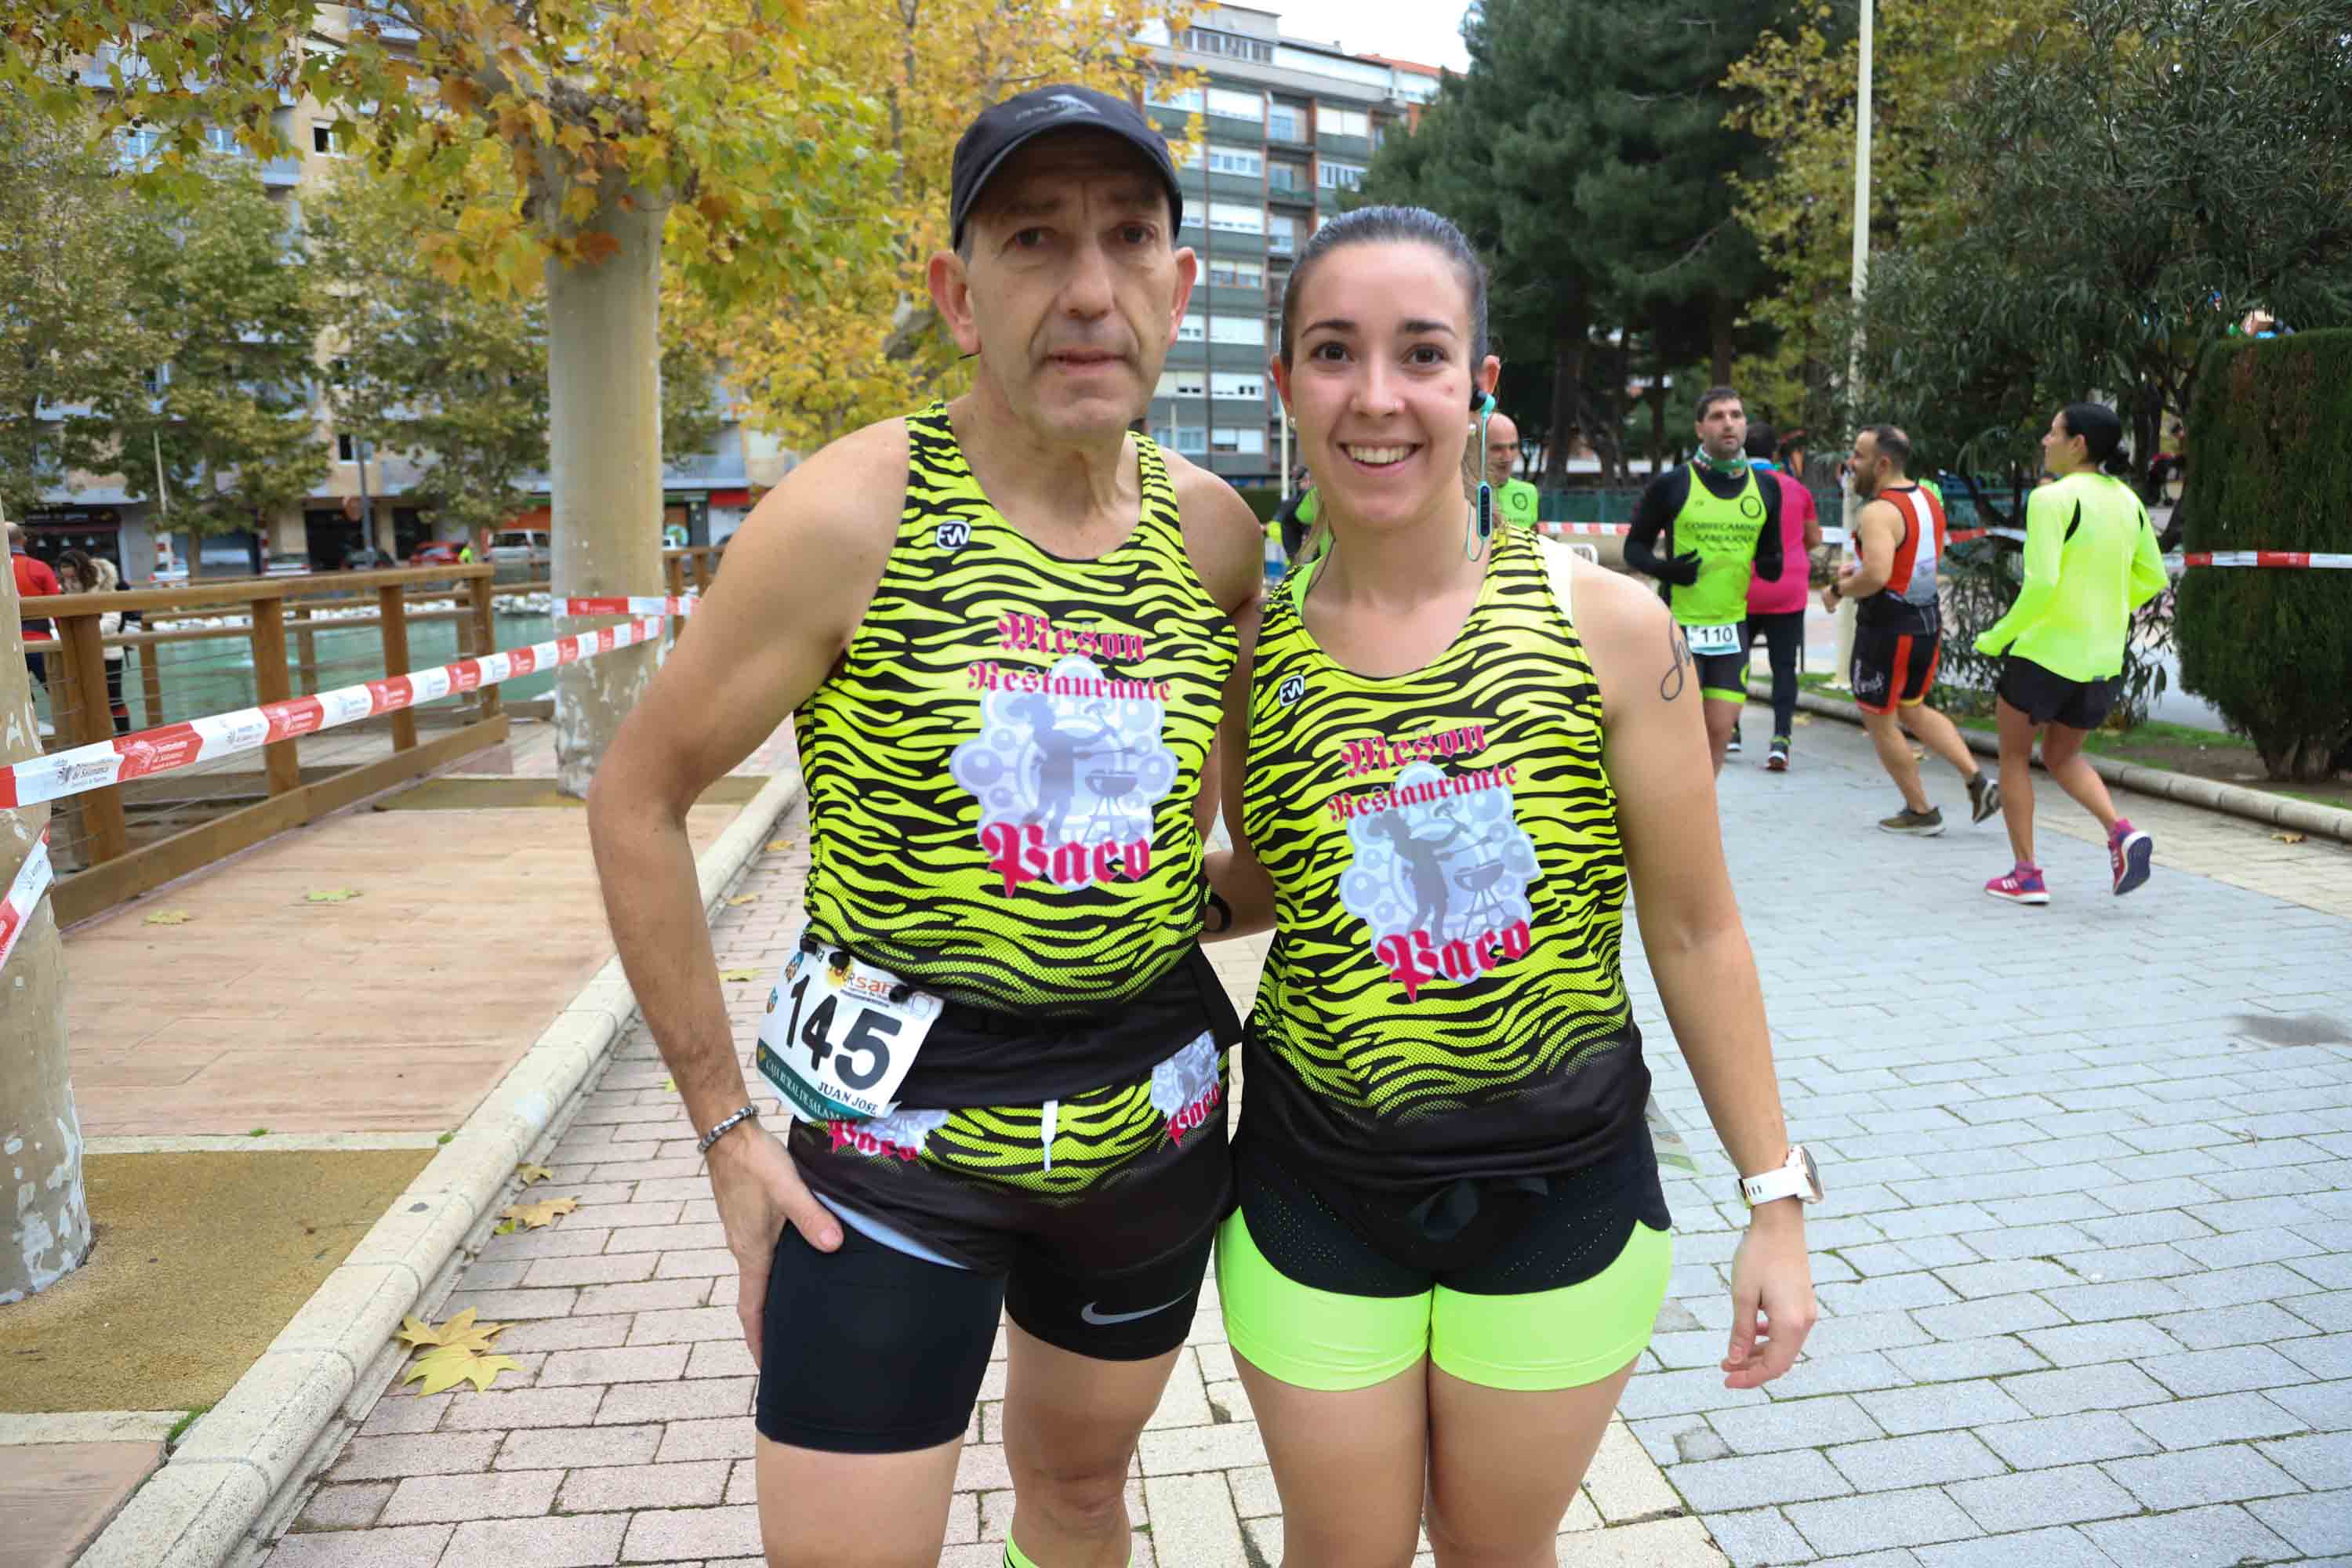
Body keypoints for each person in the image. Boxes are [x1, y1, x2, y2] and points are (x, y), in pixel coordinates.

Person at [586, 85, 1263, 1568]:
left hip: (1147, 1131)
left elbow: (1210, 859)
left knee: (1079, 1503)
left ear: (1178, 288)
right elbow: (637, 796)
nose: (1087, 291)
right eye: (1035, 242)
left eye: (1127, 240)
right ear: (960, 296)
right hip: (892, 1147)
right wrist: (723, 1130)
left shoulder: (1217, 535)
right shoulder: (850, 516)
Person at [1202, 205, 1818, 1568]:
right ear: (1288, 384)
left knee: (1497, 1552)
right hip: (1314, 1184)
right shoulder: (1253, 653)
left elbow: (1695, 928)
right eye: (1333, 352)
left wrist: (1774, 1200)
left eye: (1421, 353)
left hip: (1565, 1191)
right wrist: (1105, 906)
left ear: (1479, 383)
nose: (1377, 397)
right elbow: (1276, 881)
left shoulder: (1609, 625)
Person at [1976, 401, 2169, 902]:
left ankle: (2027, 875)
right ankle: (2121, 832)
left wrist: (1998, 635)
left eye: (2053, 433)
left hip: (2043, 654)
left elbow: (2041, 584)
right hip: (2102, 659)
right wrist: (2102, 608)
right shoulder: (2127, 500)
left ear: (2078, 443)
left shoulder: (2051, 499)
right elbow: (2153, 577)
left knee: (2013, 757)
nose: (2045, 441)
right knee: (2063, 756)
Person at [1824, 426, 1998, 834]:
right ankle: (1978, 782)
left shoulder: (1878, 512)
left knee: (1879, 720)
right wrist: (1861, 569)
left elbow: (1879, 576)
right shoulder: (1927, 498)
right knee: (1912, 709)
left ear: (1883, 463)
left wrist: (1838, 590)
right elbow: (1912, 556)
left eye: (1859, 455)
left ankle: (1921, 811)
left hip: (1888, 630)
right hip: (1925, 623)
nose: (1852, 463)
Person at [1624, 387, 1787, 771]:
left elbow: (1771, 554)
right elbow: (1634, 549)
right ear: (1700, 428)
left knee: (1719, 731)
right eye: (1717, 416)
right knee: (1678, 734)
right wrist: (1668, 570)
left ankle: (1702, 805)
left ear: (1745, 425)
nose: (1728, 423)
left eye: (1736, 415)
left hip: (1732, 628)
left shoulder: (1766, 488)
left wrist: (1772, 564)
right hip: (1679, 626)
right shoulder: (1673, 484)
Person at [1739, 421, 1821, 770]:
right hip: (1788, 588)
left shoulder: (1732, 487)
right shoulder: (1797, 490)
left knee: (1734, 661)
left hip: (1741, 588)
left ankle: (1730, 729)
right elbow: (1814, 538)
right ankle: (1780, 741)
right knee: (1784, 666)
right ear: (1775, 452)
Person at [55, 550, 132, 735]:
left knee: (113, 698)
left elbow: (113, 621)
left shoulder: (106, 586)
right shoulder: (64, 589)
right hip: (78, 651)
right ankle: (95, 737)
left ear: (80, 569)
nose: (68, 578)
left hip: (107, 651)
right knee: (84, 698)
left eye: (71, 573)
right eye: (65, 573)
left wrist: (85, 632)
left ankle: (124, 736)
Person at [9, 523, 60, 694]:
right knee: (60, 694)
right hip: (39, 641)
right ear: (23, 540)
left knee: (14, 701)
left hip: (6, 646)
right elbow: (58, 608)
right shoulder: (39, 567)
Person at [1483, 410, 1542, 531]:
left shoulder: (1529, 492)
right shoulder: (1463, 494)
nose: (1507, 456)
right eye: (1497, 448)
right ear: (1477, 449)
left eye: (1513, 447)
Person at [1275, 464, 1319, 560]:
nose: (1310, 483)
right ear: (1298, 484)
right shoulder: (1289, 506)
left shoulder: (1322, 501)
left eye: (1312, 480)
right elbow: (1278, 526)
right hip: (1299, 557)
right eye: (1305, 480)